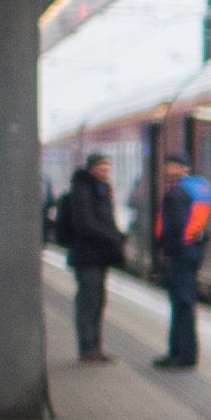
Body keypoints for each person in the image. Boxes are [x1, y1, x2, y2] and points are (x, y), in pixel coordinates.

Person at [54, 155, 124, 363]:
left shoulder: (101, 189)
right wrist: (113, 237)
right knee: (89, 302)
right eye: (102, 168)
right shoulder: (82, 190)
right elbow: (86, 223)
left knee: (97, 301)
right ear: (92, 168)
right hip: (86, 256)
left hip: (98, 255)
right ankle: (87, 349)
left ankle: (95, 347)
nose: (105, 172)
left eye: (107, 168)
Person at [150, 155, 211, 368]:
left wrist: (167, 255)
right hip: (192, 251)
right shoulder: (199, 190)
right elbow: (200, 229)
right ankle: (180, 352)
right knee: (184, 304)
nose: (165, 169)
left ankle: (182, 355)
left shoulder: (176, 194)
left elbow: (174, 228)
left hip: (180, 255)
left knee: (181, 305)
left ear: (179, 168)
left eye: (168, 165)